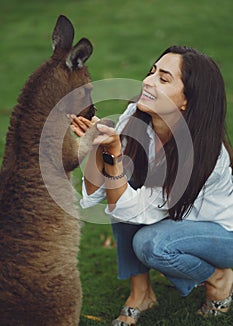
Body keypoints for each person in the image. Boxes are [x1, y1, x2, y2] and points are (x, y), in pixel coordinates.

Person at [71, 46, 233, 325]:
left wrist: (114, 156)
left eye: (164, 78)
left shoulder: (202, 155)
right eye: (152, 71)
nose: (147, 80)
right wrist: (100, 147)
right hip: (174, 218)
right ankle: (141, 293)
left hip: (221, 234)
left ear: (187, 100)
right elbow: (99, 193)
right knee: (125, 180)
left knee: (153, 245)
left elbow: (128, 209)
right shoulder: (137, 114)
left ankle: (218, 277)